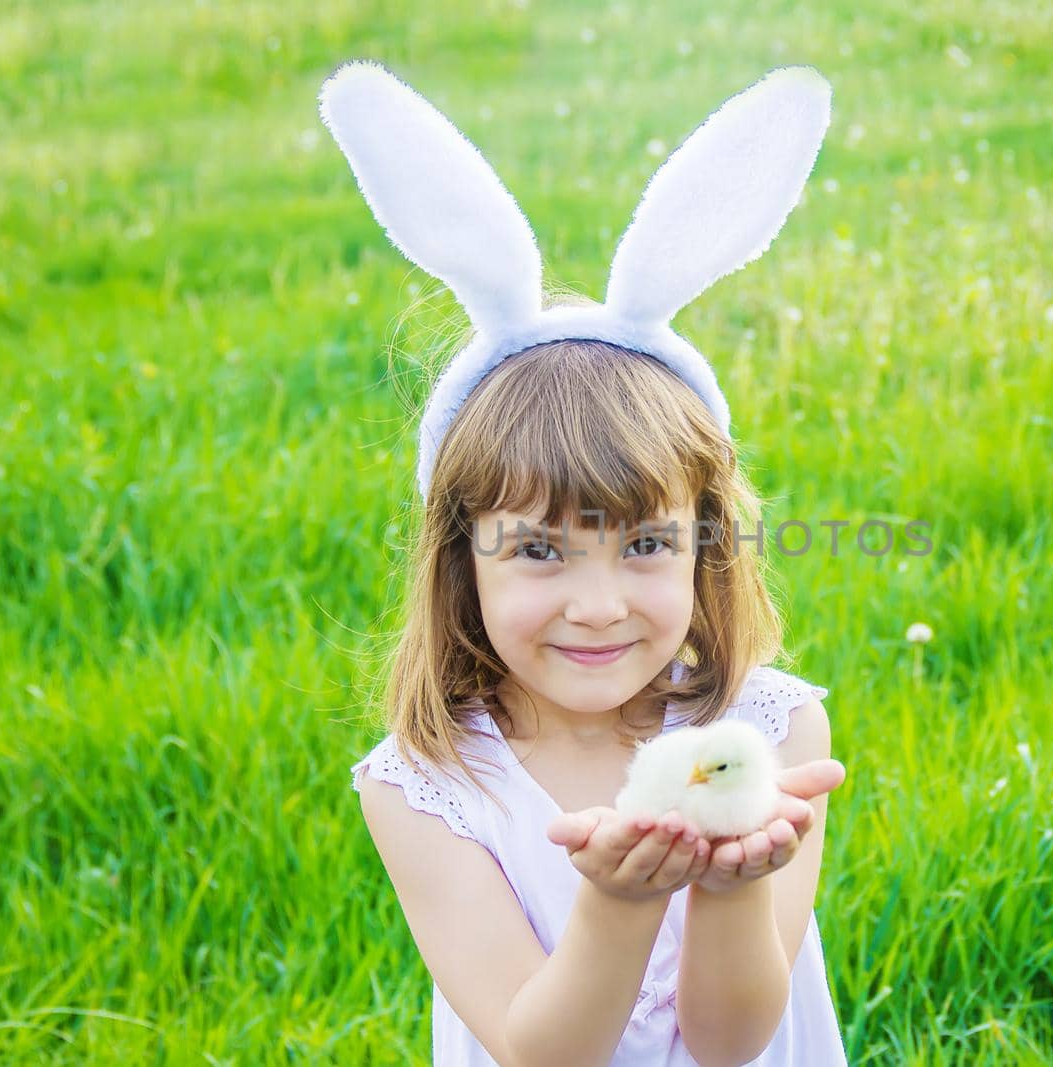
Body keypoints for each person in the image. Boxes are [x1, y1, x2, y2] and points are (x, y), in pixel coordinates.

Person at [321, 59, 847, 1066]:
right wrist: (618, 900)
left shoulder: (768, 727)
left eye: (645, 544)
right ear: (457, 561)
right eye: (539, 550)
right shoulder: (427, 784)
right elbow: (540, 1048)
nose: (598, 605)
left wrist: (730, 884)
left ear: (706, 548)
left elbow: (736, 1040)